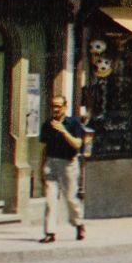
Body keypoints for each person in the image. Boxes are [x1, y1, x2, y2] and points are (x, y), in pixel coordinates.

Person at [39, 96, 86, 243]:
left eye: (58, 106)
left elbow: (78, 144)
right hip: (51, 162)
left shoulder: (73, 123)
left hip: (68, 164)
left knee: (71, 197)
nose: (55, 109)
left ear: (65, 107)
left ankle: (78, 223)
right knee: (50, 199)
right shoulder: (47, 124)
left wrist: (64, 131)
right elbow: (44, 147)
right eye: (53, 106)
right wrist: (41, 166)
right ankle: (50, 232)